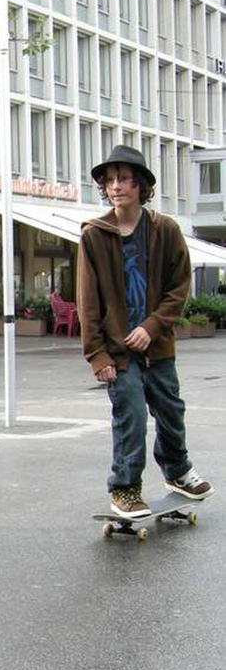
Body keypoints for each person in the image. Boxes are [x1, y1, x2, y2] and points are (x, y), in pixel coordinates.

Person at [77, 144, 213, 519]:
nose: (116, 186)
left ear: (140, 185)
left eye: (124, 179)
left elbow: (179, 286)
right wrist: (97, 354)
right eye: (110, 180)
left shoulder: (165, 230)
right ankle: (125, 488)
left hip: (158, 345)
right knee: (132, 414)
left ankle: (178, 472)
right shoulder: (94, 235)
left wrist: (152, 326)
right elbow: (87, 301)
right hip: (118, 351)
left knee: (171, 411)